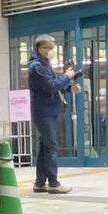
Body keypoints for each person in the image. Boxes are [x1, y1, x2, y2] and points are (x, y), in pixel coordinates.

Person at [27, 34, 76, 194]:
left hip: (49, 110)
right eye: (48, 48)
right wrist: (67, 77)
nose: (51, 51)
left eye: (52, 48)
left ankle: (40, 182)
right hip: (44, 112)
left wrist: (69, 87)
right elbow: (50, 86)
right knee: (52, 147)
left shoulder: (44, 64)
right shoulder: (37, 67)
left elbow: (53, 86)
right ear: (39, 48)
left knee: (44, 147)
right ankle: (53, 183)